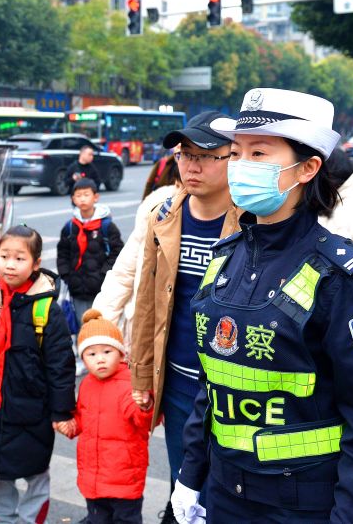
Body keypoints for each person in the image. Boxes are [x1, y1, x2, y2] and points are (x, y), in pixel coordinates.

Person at [170, 88, 353, 523]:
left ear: (308, 167)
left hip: (303, 502)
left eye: (259, 153)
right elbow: (212, 385)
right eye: (235, 153)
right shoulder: (224, 259)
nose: (240, 166)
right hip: (224, 493)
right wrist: (190, 475)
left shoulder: (346, 278)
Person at [128, 111, 240, 524]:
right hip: (178, 382)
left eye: (207, 155)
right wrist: (141, 374)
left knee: (231, 488)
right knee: (185, 482)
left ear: (235, 158)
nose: (192, 165)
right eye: (184, 154)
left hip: (234, 384)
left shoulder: (255, 220)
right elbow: (147, 304)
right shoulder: (165, 216)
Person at [0, 225, 76, 524]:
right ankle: (3, 519)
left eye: (19, 258)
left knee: (35, 473)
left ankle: (31, 519)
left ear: (35, 263)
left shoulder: (46, 309)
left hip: (33, 410)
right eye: (4, 255)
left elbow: (61, 365)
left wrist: (61, 411)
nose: (9, 263)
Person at [55, 310, 153, 524]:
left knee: (126, 520)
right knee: (97, 518)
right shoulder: (87, 384)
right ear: (82, 358)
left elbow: (141, 420)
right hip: (94, 476)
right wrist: (71, 426)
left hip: (125, 477)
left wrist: (144, 403)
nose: (100, 359)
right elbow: (83, 419)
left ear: (121, 353)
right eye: (91, 354)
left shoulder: (129, 383)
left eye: (107, 351)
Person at [92, 157, 180, 350]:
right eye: (184, 156)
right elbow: (124, 273)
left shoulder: (239, 217)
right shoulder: (157, 207)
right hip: (143, 338)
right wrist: (100, 332)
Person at [56, 179, 123, 338]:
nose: (83, 199)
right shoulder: (70, 227)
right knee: (82, 325)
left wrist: (104, 273)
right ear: (73, 199)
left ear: (96, 197)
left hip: (101, 287)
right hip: (77, 288)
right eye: (78, 195)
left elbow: (118, 252)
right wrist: (67, 275)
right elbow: (63, 253)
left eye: (86, 194)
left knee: (101, 324)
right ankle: (84, 356)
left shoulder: (106, 226)